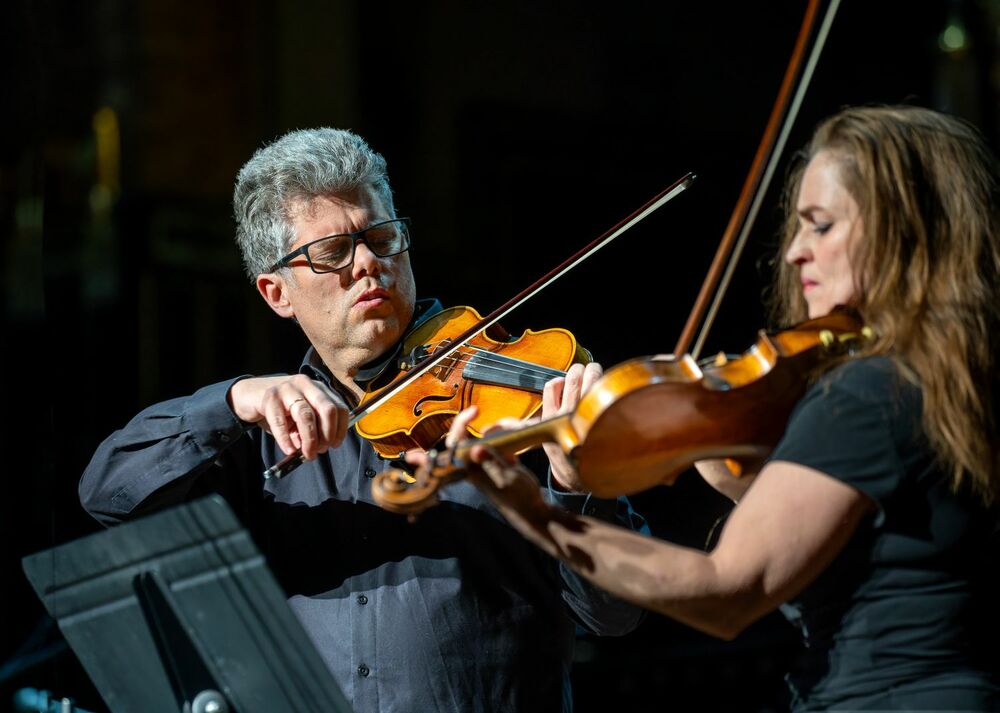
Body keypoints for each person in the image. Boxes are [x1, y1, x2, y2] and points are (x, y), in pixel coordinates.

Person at [441, 105, 1000, 711]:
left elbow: (727, 592)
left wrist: (535, 512)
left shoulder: (864, 396)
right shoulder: (950, 378)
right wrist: (739, 473)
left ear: (905, 231)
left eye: (821, 226)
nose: (794, 253)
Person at [78, 127, 646, 713]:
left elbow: (614, 614)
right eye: (332, 254)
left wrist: (581, 487)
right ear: (277, 293)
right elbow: (107, 493)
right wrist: (233, 400)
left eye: (382, 238)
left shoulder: (512, 414)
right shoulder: (263, 440)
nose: (369, 264)